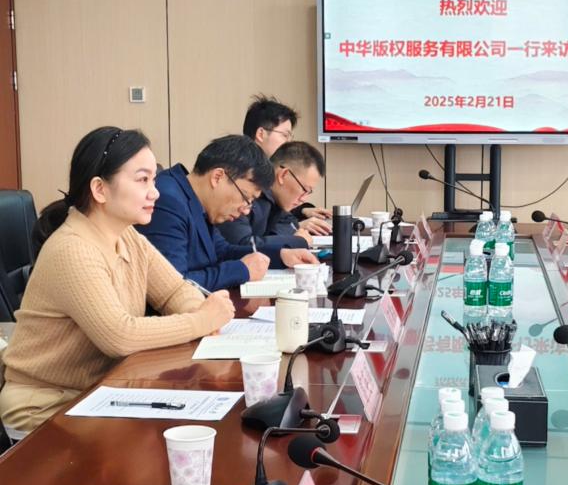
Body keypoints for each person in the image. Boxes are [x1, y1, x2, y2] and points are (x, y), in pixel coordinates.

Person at [0, 127, 234, 436]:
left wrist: (203, 313)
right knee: (154, 443)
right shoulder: (72, 249)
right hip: (43, 405)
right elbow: (119, 335)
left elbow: (174, 290)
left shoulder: (127, 236)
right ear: (100, 189)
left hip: (98, 393)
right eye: (142, 180)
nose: (155, 192)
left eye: (154, 179)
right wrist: (203, 320)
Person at [138, 135, 318, 291]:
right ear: (218, 177)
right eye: (246, 197)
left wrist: (280, 255)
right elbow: (173, 286)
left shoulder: (195, 199)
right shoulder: (167, 200)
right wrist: (241, 270)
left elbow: (224, 252)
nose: (245, 209)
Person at [243, 94, 330, 234]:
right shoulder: (243, 175)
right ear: (261, 134)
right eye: (285, 135)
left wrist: (302, 210)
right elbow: (248, 238)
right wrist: (297, 227)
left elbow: (276, 213)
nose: (289, 142)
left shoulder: (265, 171)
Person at [218, 141, 325, 252]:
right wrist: (295, 241)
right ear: (283, 175)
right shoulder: (245, 193)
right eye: (304, 190)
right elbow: (241, 245)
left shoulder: (277, 201)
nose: (304, 199)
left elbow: (290, 225)